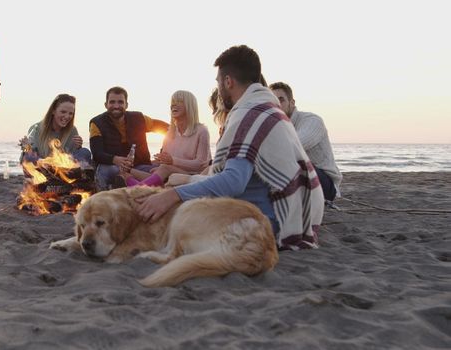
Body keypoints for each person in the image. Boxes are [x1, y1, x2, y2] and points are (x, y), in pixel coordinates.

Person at [136, 45, 324, 251]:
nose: (218, 88)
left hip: (269, 223)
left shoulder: (249, 115)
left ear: (228, 81)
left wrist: (173, 195)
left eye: (218, 82)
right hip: (290, 214)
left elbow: (234, 182)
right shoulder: (268, 108)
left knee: (173, 218)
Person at [269, 82, 342, 201]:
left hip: (325, 184)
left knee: (294, 160)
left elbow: (295, 146)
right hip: (301, 184)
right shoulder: (277, 126)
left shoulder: (312, 121)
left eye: (281, 100)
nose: (276, 105)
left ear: (292, 103)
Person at [122, 90, 211, 187]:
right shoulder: (169, 133)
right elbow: (165, 162)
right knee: (126, 171)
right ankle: (136, 183)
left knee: (165, 169)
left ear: (189, 106)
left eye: (179, 102)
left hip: (194, 175)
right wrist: (156, 163)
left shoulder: (201, 131)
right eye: (173, 103)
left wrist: (172, 161)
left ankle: (135, 189)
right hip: (170, 172)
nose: (174, 105)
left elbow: (200, 164)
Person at [89, 86, 170, 191]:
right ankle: (102, 198)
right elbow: (97, 153)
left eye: (120, 102)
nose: (116, 106)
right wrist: (115, 159)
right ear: (106, 105)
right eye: (112, 102)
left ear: (126, 105)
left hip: (139, 166)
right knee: (105, 171)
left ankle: (133, 189)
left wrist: (164, 151)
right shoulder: (97, 123)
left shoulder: (139, 118)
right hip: (113, 167)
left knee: (163, 174)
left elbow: (168, 129)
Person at [19, 93, 91, 165]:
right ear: (53, 111)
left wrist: (78, 147)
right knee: (26, 156)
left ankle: (55, 169)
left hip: (62, 168)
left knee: (85, 152)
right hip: (42, 165)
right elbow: (30, 155)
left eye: (70, 113)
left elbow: (73, 156)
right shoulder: (36, 128)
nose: (67, 116)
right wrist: (26, 148)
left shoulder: (72, 130)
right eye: (63, 112)